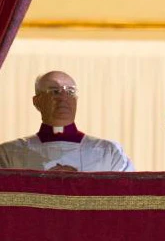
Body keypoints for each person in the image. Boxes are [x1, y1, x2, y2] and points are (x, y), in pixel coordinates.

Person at [0, 71, 134, 172]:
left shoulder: (108, 153)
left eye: (70, 92)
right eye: (54, 91)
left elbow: (128, 198)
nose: (63, 97)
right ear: (37, 101)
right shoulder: (10, 154)